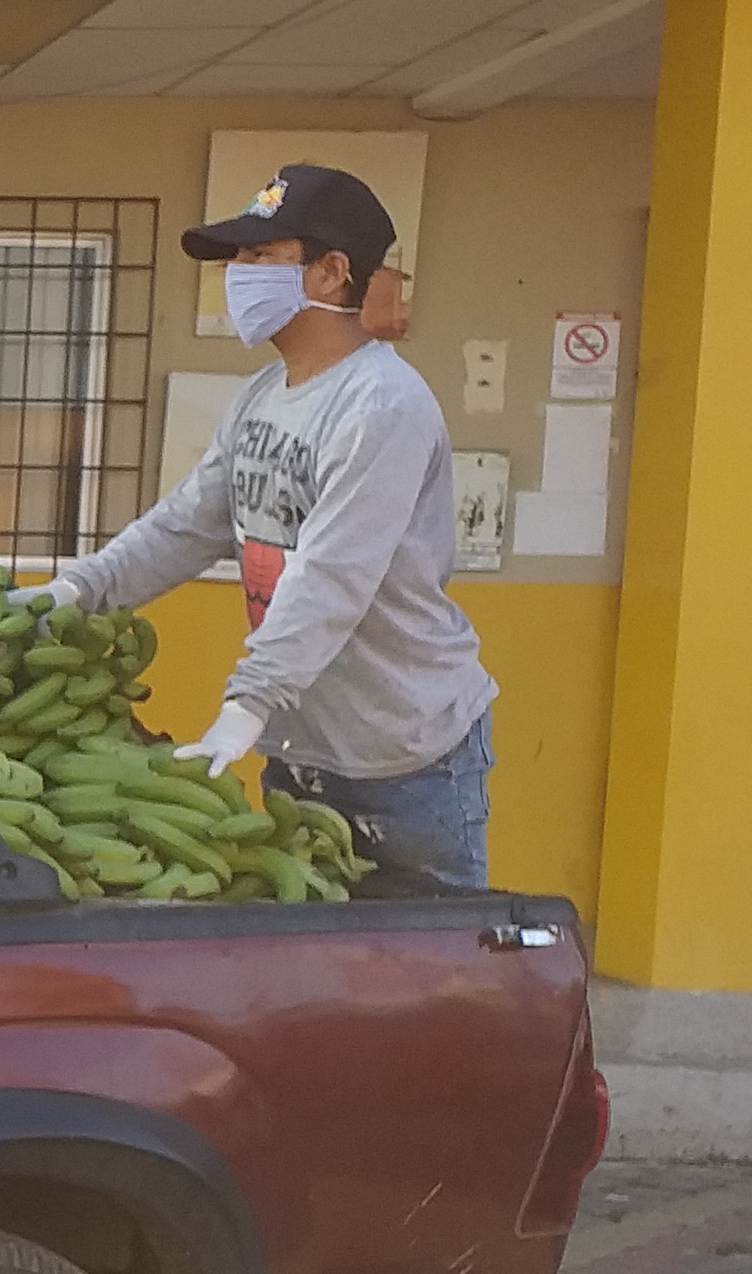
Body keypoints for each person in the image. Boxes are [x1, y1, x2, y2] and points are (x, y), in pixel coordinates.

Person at [47, 164, 496, 890]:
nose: (238, 274)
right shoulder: (262, 395)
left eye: (261, 256)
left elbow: (334, 574)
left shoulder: (381, 405)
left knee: (420, 951)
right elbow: (187, 526)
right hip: (300, 743)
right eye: (238, 257)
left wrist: (248, 704)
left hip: (402, 756)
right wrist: (74, 592)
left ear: (331, 273)